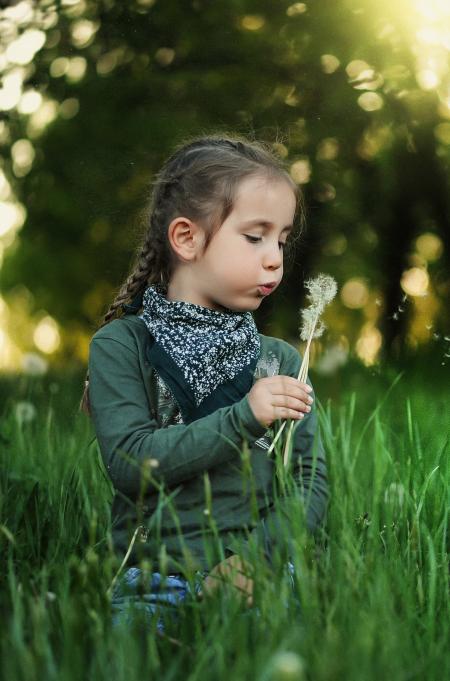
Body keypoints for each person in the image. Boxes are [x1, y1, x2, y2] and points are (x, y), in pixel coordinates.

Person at [80, 134, 330, 632]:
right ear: (187, 238)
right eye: (255, 236)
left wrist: (255, 561)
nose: (276, 257)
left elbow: (309, 481)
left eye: (281, 239)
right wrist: (245, 416)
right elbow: (132, 464)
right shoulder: (120, 346)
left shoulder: (281, 359)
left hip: (259, 571)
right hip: (153, 575)